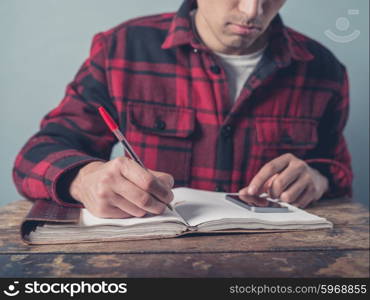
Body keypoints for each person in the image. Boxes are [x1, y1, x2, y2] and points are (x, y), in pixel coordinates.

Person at [13, 0, 352, 219]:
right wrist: (83, 178)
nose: (252, 10)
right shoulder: (122, 48)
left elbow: (337, 169)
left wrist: (317, 178)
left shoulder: (324, 69)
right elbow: (37, 154)